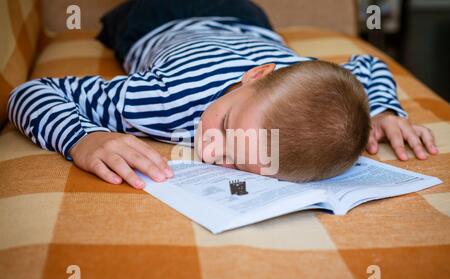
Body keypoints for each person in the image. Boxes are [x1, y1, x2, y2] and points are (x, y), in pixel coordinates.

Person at [7, 0, 437, 189]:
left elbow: (366, 66)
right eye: (227, 126)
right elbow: (30, 93)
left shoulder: (306, 85)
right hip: (155, 18)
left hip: (244, 18)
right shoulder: (164, 100)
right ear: (257, 76)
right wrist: (83, 137)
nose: (213, 150)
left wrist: (377, 109)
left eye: (240, 157)